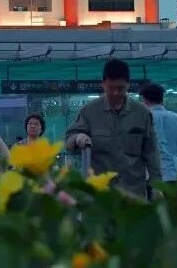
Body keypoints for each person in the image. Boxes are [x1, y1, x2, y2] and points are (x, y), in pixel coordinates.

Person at [66, 59, 162, 198]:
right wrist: (77, 138)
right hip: (101, 196)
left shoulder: (142, 113)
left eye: (121, 88)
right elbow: (69, 140)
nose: (116, 93)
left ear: (128, 84)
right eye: (111, 88)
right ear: (103, 84)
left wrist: (157, 186)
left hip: (133, 194)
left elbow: (151, 152)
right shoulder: (90, 111)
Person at [140, 84, 177, 183]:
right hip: (175, 175)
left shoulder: (142, 119)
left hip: (151, 176)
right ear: (162, 100)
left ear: (145, 101)